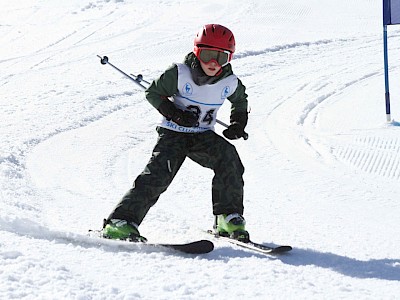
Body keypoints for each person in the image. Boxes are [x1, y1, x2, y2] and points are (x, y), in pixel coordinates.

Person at [102, 24, 249, 242]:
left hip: (202, 136)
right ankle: (119, 222)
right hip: (174, 132)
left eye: (222, 57)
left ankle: (227, 217)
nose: (213, 63)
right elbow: (153, 93)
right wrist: (174, 114)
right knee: (160, 173)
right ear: (197, 51)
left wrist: (238, 123)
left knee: (229, 157)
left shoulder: (229, 82)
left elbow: (240, 101)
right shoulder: (179, 73)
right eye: (207, 54)